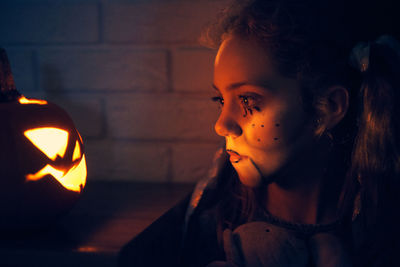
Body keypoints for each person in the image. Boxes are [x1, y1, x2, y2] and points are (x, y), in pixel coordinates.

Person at [119, 0, 400, 266]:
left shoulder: (380, 232)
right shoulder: (216, 224)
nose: (221, 125)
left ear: (328, 107)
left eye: (248, 102)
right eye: (220, 100)